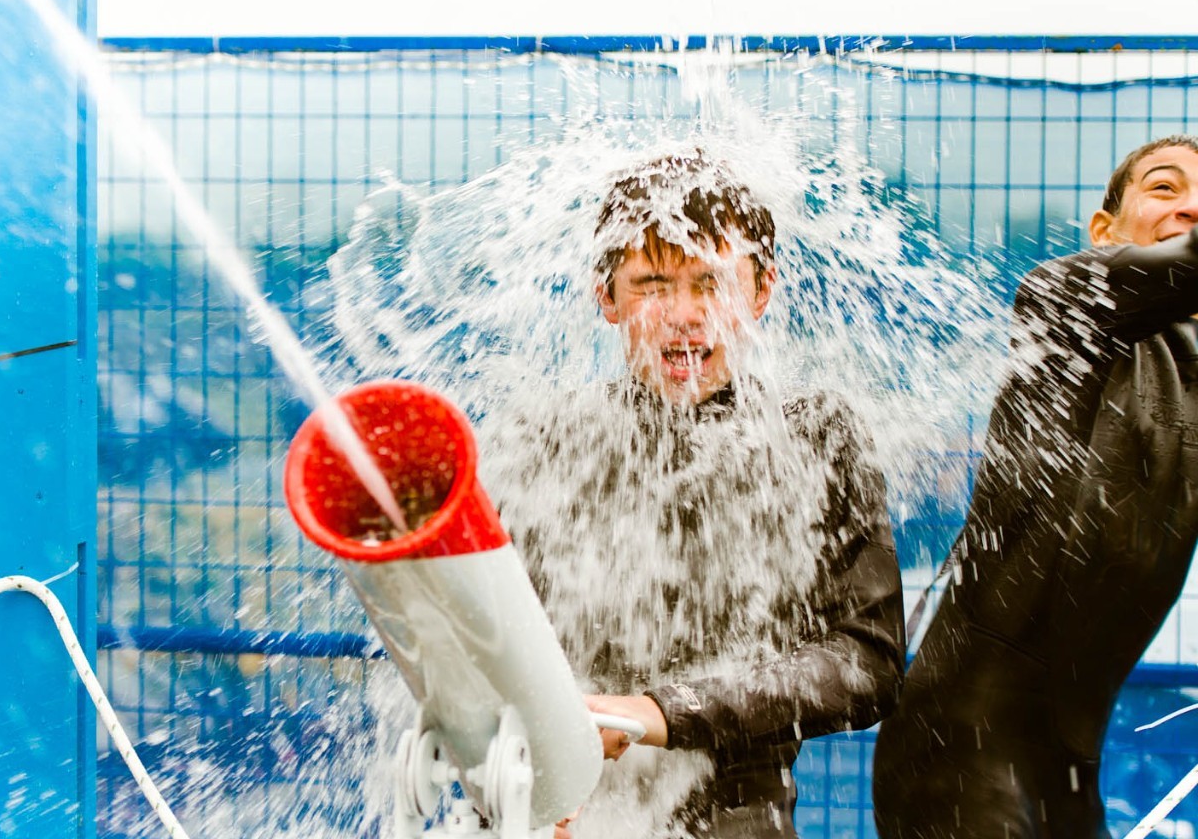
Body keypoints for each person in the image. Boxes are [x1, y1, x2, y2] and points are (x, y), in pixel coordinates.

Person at [482, 149, 905, 838]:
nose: (682, 314)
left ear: (760, 290)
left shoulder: (813, 437)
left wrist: (660, 712)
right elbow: (496, 639)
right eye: (651, 284)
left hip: (740, 814)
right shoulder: (554, 440)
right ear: (607, 296)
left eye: (709, 281)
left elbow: (867, 662)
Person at [872, 134, 1198, 838]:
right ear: (1105, 232)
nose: (1192, 209)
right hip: (955, 748)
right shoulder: (1065, 308)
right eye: (1166, 189)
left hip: (1070, 771)